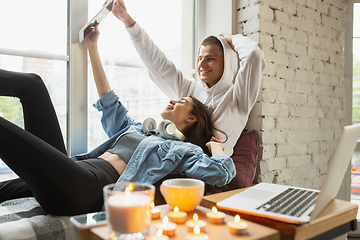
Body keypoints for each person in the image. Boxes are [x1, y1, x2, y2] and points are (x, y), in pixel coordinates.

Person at [0, 26, 235, 216]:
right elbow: (108, 100)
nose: (173, 101)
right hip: (72, 169)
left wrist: (216, 148)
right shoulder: (135, 129)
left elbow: (222, 173)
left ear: (192, 117)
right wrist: (93, 47)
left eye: (182, 101)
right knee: (32, 84)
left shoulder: (182, 150)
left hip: (87, 189)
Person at [112, 0, 266, 156]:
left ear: (227, 62)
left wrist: (233, 39)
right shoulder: (191, 92)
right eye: (200, 58)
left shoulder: (238, 98)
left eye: (210, 58)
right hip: (178, 166)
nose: (202, 64)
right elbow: (157, 64)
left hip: (214, 172)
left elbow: (254, 54)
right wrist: (128, 22)